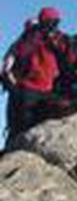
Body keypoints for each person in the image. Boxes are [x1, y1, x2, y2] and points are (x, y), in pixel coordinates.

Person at [2, 8, 69, 140]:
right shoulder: (29, 40)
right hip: (30, 87)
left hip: (46, 88)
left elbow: (65, 61)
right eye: (52, 22)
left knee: (36, 121)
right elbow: (8, 64)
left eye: (56, 22)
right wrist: (12, 82)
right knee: (23, 125)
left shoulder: (57, 38)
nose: (54, 26)